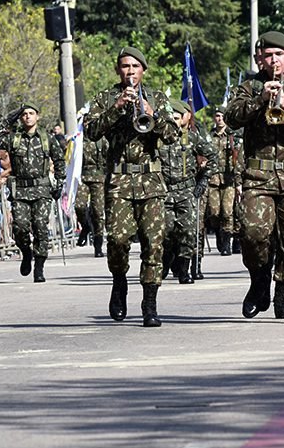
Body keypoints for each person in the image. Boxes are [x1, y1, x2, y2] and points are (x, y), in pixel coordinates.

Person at [224, 31, 284, 324]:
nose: (273, 60)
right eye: (268, 55)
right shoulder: (249, 86)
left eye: (279, 55)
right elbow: (231, 117)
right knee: (253, 234)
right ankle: (260, 280)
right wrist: (260, 100)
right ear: (261, 59)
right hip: (259, 174)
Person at [84, 46, 179, 326]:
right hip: (119, 181)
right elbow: (90, 131)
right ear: (118, 70)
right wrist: (116, 109)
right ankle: (119, 281)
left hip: (151, 181)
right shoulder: (106, 98)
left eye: (135, 67)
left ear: (143, 71)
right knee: (118, 240)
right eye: (125, 66)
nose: (130, 72)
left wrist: (151, 113)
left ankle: (150, 304)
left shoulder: (158, 98)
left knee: (154, 242)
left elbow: (174, 135)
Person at [0, 104, 64, 283]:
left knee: (40, 228)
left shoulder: (47, 138)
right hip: (20, 190)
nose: (28, 117)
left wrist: (59, 182)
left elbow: (59, 160)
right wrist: (10, 118)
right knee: (19, 227)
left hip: (42, 190)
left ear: (38, 117)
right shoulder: (14, 139)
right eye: (24, 114)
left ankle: (39, 266)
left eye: (31, 114)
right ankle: (26, 252)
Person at [159, 99, 218, 283]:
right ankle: (165, 266)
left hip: (187, 190)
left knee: (188, 232)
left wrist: (204, 179)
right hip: (164, 191)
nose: (173, 122)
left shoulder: (191, 138)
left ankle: (184, 271)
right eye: (170, 118)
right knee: (166, 232)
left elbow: (213, 156)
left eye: (176, 118)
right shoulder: (158, 139)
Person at [205, 108, 239, 256]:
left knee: (227, 212)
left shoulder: (233, 137)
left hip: (228, 179)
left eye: (222, 116)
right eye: (217, 116)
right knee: (214, 212)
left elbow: (239, 159)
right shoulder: (209, 136)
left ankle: (226, 243)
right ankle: (219, 233)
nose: (219, 119)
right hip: (213, 179)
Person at [76, 131, 107, 257]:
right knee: (79, 206)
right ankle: (86, 226)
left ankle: (98, 245)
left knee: (98, 212)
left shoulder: (102, 140)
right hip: (82, 177)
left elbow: (110, 158)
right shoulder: (78, 139)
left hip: (99, 178)